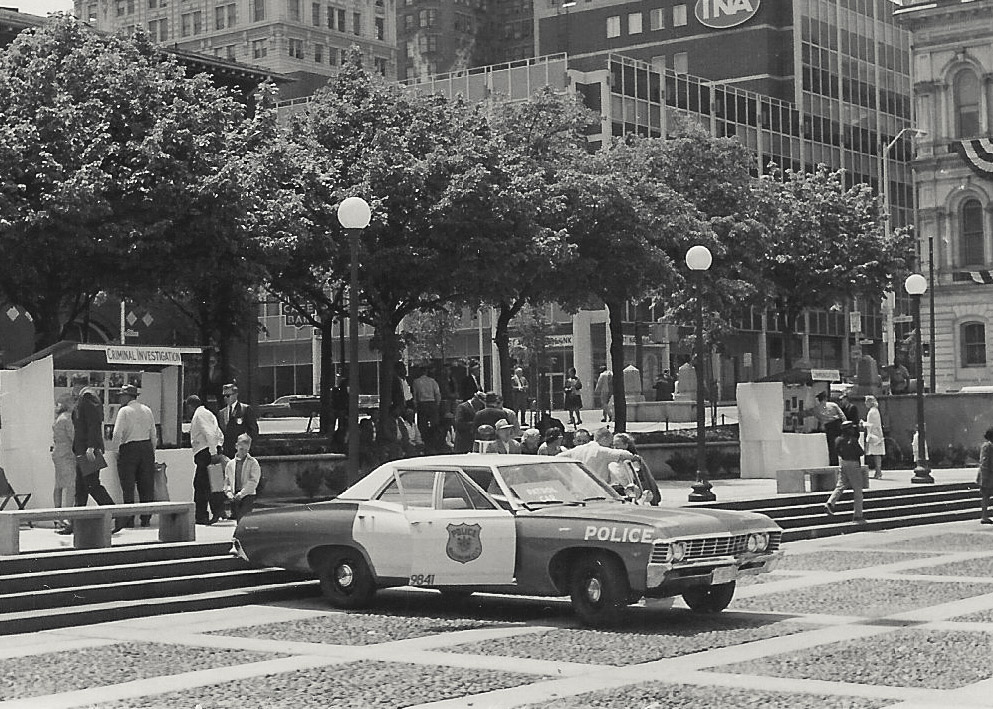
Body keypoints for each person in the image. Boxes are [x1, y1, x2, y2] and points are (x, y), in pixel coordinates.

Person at [59, 386, 119, 535]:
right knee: (81, 489)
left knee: (92, 485)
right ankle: (75, 523)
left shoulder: (88, 397)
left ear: (76, 385)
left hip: (88, 451)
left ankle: (116, 514)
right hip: (83, 450)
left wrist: (91, 446)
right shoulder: (84, 398)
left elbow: (94, 423)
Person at [112, 384, 158, 528]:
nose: (120, 398)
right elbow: (153, 434)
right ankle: (146, 518)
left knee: (128, 486)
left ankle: (129, 519)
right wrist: (152, 451)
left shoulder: (124, 411)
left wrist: (115, 451)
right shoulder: (147, 410)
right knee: (146, 485)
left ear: (127, 396)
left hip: (129, 448)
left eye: (122, 395)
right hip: (146, 447)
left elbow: (117, 433)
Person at [186, 394, 225, 525]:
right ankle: (216, 510)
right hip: (209, 451)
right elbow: (219, 434)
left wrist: (213, 452)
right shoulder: (208, 413)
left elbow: (209, 433)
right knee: (211, 484)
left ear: (191, 406)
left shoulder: (200, 414)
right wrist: (218, 448)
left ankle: (202, 515)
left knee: (202, 485)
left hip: (205, 452)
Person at [824, 420, 866, 524]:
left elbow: (837, 451)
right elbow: (861, 452)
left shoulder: (838, 440)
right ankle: (858, 515)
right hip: (854, 464)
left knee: (840, 485)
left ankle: (831, 502)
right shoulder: (853, 440)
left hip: (843, 463)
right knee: (858, 491)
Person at [558, 426, 633, 483]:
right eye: (610, 444)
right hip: (598, 492)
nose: (610, 446)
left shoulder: (575, 451)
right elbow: (627, 454)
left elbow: (556, 458)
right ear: (604, 439)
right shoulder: (602, 451)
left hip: (578, 490)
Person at [51, 393, 76, 531]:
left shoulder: (59, 418)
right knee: (71, 485)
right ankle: (67, 516)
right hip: (66, 454)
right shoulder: (67, 418)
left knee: (59, 485)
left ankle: (57, 515)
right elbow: (73, 436)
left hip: (58, 452)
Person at [223, 434, 261, 521]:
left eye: (246, 450)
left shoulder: (253, 463)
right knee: (237, 519)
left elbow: (253, 481)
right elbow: (227, 481)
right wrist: (229, 493)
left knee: (244, 518)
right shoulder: (230, 464)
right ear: (236, 446)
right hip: (234, 494)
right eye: (241, 449)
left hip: (248, 495)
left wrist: (242, 494)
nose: (243, 452)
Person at [219, 383, 259, 460]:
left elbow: (253, 430)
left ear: (235, 395)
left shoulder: (245, 409)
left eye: (228, 395)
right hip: (227, 454)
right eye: (223, 396)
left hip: (241, 453)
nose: (225, 398)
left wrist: (247, 448)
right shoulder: (221, 413)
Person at [411, 367, 441, 451]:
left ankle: (425, 441)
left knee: (422, 425)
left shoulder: (416, 382)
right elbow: (437, 394)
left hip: (422, 403)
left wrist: (416, 406)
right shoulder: (432, 381)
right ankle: (434, 442)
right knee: (434, 424)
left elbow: (415, 394)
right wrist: (437, 405)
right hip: (432, 403)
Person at [813, 391, 845, 466]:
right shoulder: (833, 405)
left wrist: (796, 414)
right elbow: (842, 416)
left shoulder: (817, 408)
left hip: (828, 427)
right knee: (841, 444)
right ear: (826, 398)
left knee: (831, 446)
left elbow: (807, 413)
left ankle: (834, 463)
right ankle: (842, 462)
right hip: (837, 425)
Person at [863, 395, 885, 479]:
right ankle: (878, 471)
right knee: (876, 454)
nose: (865, 403)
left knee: (876, 453)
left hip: (875, 436)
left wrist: (864, 424)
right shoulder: (874, 411)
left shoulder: (872, 412)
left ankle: (878, 471)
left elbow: (872, 424)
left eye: (866, 401)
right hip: (875, 435)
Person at [976, 427, 993, 524]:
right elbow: (984, 462)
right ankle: (984, 516)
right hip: (987, 476)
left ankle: (985, 516)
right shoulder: (987, 446)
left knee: (987, 496)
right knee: (986, 496)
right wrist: (985, 477)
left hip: (990, 476)